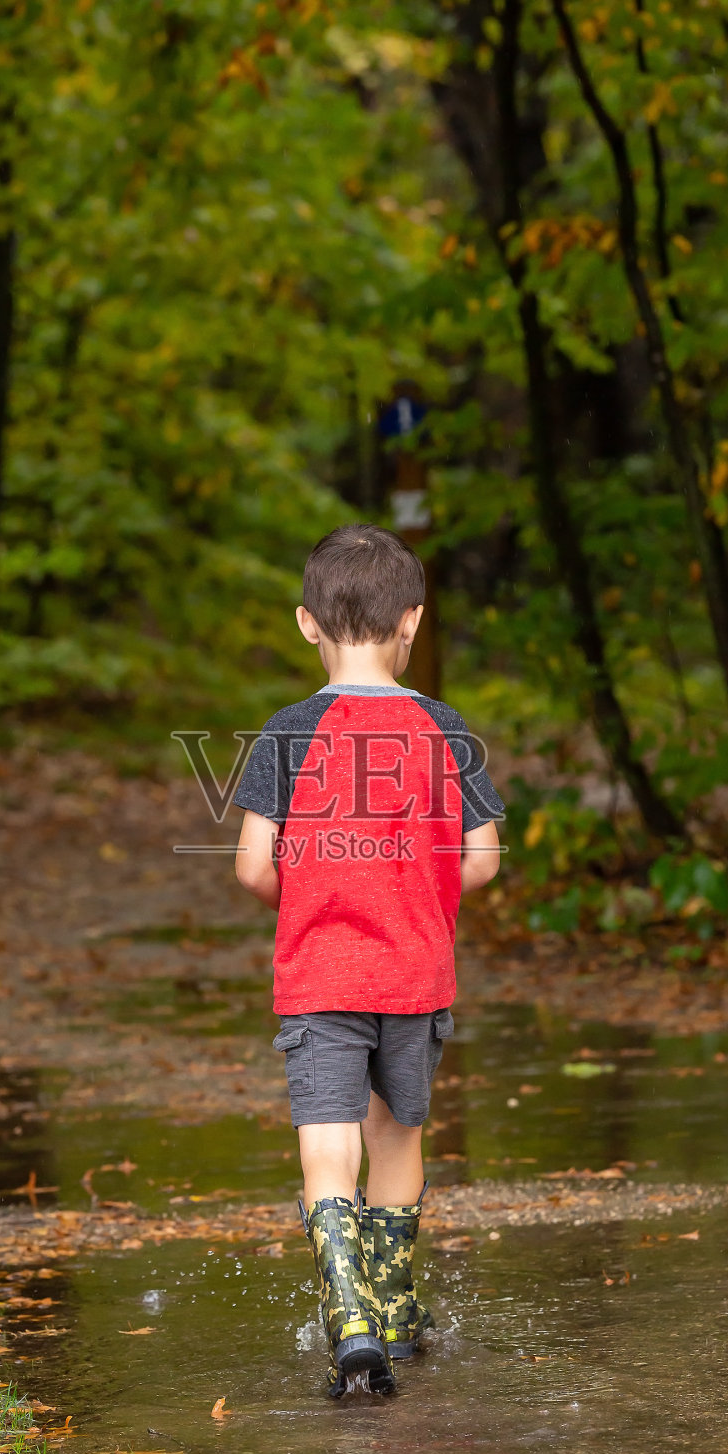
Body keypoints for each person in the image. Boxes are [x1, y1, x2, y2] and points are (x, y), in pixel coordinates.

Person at [233, 523, 503, 1397]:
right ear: (413, 621)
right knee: (398, 1132)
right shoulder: (441, 726)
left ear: (306, 623)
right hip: (415, 972)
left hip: (319, 974)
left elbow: (248, 864)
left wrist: (311, 901)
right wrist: (420, 898)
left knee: (328, 1145)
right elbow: (483, 854)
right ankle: (393, 1305)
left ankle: (346, 1314)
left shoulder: (287, 731)